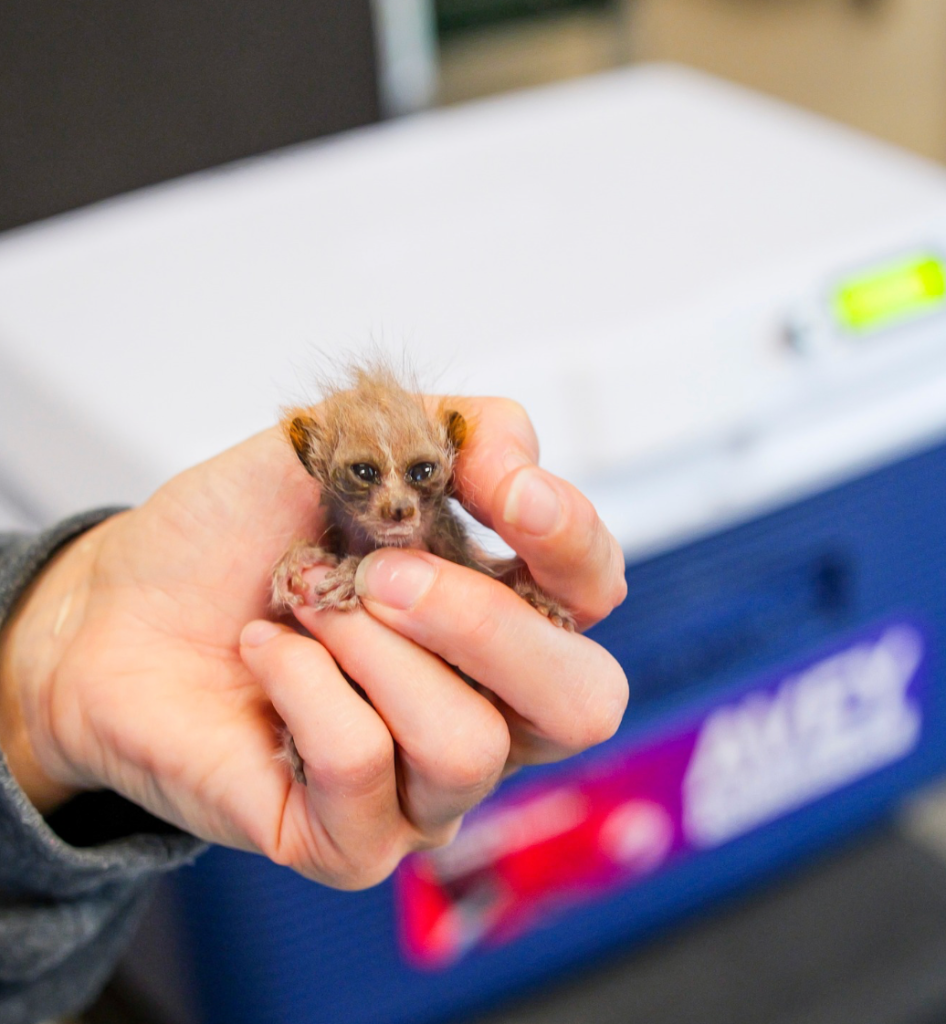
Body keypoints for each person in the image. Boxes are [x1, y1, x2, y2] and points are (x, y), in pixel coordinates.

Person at [0, 395, 628, 1023]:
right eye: (364, 473)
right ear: (310, 452)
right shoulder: (313, 544)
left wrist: (524, 600)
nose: (398, 502)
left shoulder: (433, 530)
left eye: (420, 473)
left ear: (450, 450)